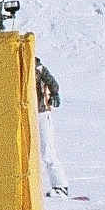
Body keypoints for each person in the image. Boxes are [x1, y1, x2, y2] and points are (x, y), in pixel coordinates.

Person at [35, 58, 72, 197]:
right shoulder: (13, 67)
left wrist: (54, 93)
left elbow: (52, 82)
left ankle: (60, 185)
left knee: (47, 150)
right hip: (25, 114)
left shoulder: (37, 67)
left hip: (41, 113)